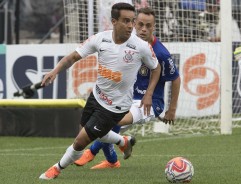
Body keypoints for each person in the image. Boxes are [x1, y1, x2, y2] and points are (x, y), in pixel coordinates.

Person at [39, 3, 161, 180]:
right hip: (96, 96)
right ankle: (123, 141)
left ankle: (56, 169)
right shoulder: (100, 39)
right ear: (114, 21)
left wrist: (149, 93)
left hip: (116, 106)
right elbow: (73, 56)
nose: (130, 26)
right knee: (90, 132)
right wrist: (54, 71)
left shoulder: (140, 46)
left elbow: (156, 68)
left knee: (80, 142)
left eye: (132, 21)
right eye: (126, 21)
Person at [74, 7, 181, 169]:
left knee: (112, 120)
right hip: (126, 98)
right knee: (105, 120)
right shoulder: (128, 43)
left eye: (148, 25)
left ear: (154, 27)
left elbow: (176, 79)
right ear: (134, 23)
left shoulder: (161, 53)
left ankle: (92, 152)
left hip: (151, 102)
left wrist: (171, 110)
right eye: (140, 24)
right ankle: (112, 161)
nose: (143, 29)